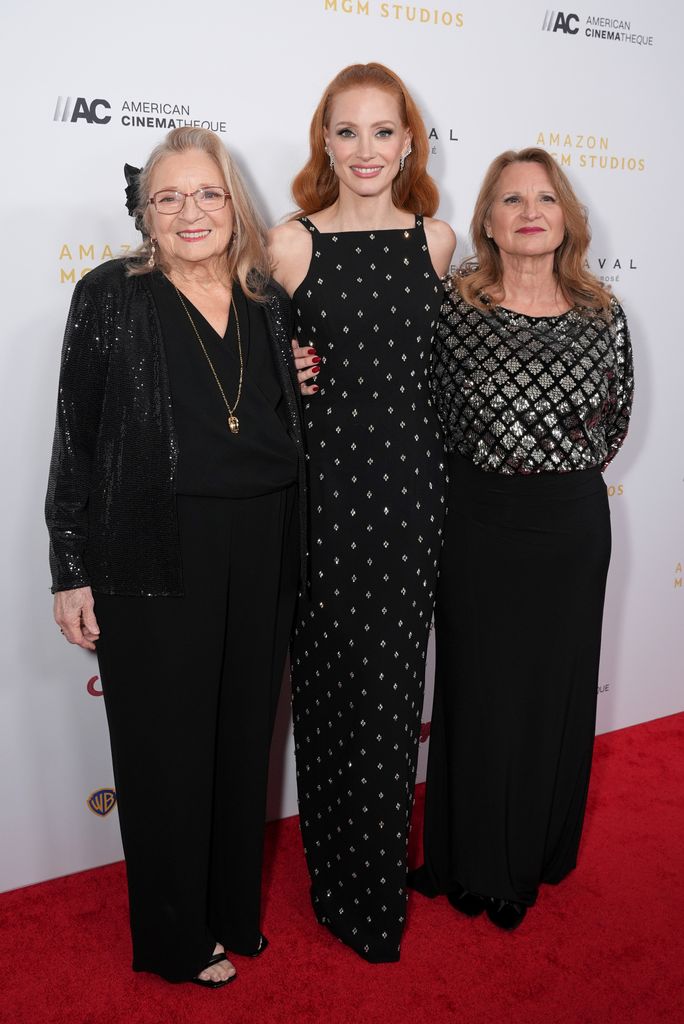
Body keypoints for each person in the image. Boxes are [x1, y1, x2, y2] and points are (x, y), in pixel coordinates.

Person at [46, 127, 306, 986]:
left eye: (208, 194)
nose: (190, 213)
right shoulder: (111, 295)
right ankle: (172, 937)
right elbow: (76, 439)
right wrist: (70, 566)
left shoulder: (267, 301)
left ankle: (232, 911)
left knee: (241, 741)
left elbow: (279, 415)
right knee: (165, 752)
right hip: (155, 549)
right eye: (169, 197)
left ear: (234, 206)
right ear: (145, 213)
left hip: (263, 538)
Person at [410, 147, 634, 930]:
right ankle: (464, 858)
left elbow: (616, 419)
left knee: (552, 688)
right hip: (476, 521)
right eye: (511, 200)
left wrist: (547, 465)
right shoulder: (454, 310)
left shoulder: (603, 313)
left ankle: (530, 854)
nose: (530, 210)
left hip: (571, 525)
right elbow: (425, 412)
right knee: (477, 688)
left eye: (545, 197)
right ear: (490, 224)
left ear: (566, 216)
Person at [269, 62, 455, 963]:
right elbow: (248, 381)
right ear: (325, 144)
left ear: (409, 142)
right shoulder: (288, 245)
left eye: (384, 132)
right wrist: (285, 382)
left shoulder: (440, 242)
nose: (367, 150)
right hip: (325, 503)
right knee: (329, 699)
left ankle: (376, 899)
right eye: (348, 132)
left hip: (414, 501)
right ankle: (334, 884)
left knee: (389, 705)